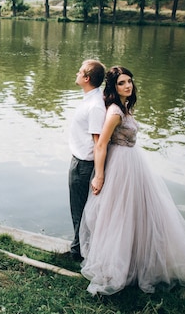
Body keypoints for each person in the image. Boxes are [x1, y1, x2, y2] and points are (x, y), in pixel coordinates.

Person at [79, 66, 185, 295]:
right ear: (113, 87)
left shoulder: (123, 107)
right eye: (121, 83)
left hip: (133, 163)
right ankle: (118, 266)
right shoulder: (115, 112)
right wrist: (99, 175)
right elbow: (100, 144)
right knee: (120, 215)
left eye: (129, 81)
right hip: (121, 166)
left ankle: (137, 261)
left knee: (139, 213)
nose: (127, 85)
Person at [67, 59, 106, 262]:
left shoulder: (95, 106)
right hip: (79, 161)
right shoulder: (91, 98)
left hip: (84, 165)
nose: (77, 73)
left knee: (79, 210)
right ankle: (79, 248)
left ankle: (79, 253)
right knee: (79, 209)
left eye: (80, 71)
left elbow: (98, 143)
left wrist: (98, 175)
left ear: (87, 78)